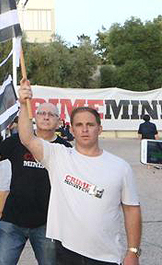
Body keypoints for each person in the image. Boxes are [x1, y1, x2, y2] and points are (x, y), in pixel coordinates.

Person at [16, 80, 142, 265]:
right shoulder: (58, 155)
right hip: (64, 252)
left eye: (90, 125)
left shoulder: (121, 167)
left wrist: (133, 251)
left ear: (99, 129)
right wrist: (23, 104)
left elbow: (132, 209)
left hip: (105, 256)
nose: (84, 129)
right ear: (72, 130)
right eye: (79, 125)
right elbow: (27, 138)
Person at [0, 102, 72, 265]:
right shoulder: (18, 140)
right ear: (35, 118)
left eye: (51, 114)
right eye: (41, 113)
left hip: (47, 223)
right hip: (13, 220)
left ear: (58, 121)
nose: (46, 117)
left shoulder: (65, 148)